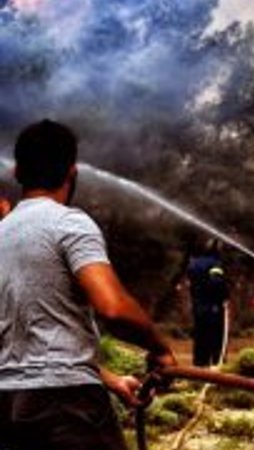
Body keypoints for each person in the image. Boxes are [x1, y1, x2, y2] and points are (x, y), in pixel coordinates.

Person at [0, 119, 176, 450]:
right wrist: (160, 349)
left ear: (18, 173)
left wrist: (108, 379)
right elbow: (114, 307)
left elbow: (28, 338)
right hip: (67, 406)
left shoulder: (3, 233)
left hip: (8, 406)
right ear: (73, 171)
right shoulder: (69, 223)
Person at [187, 239, 229, 367]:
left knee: (200, 336)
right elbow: (216, 282)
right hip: (213, 307)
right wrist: (224, 297)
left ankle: (199, 364)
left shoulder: (193, 263)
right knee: (216, 337)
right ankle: (217, 364)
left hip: (198, 306)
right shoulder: (215, 264)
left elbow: (192, 283)